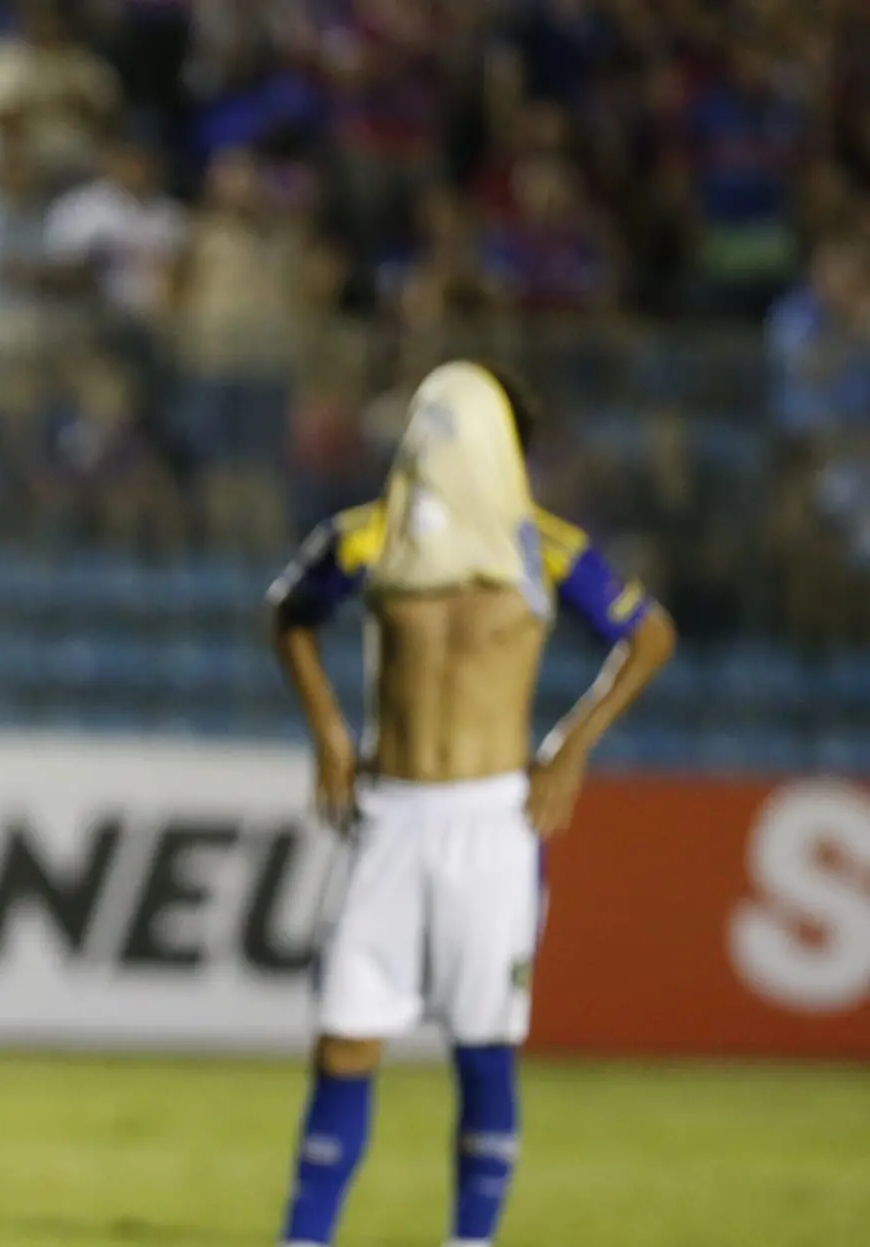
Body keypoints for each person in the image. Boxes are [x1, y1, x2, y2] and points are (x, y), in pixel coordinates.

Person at [267, 362, 676, 1247]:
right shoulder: (367, 539)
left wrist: (569, 746)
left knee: (484, 1044)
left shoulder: (546, 547)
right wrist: (332, 738)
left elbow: (650, 634)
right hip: (390, 815)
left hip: (493, 821)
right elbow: (288, 613)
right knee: (344, 1037)